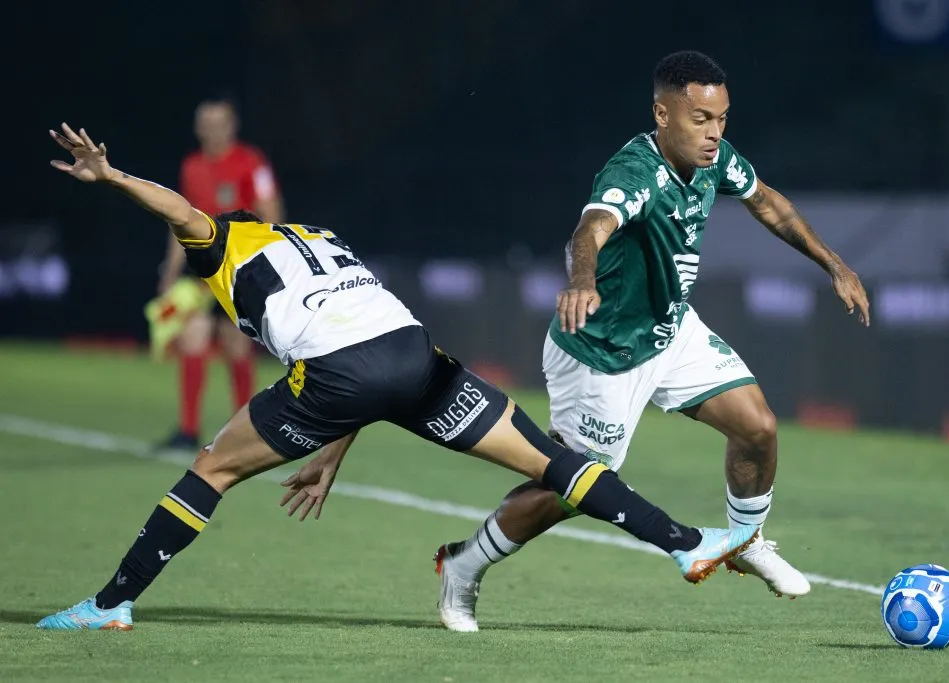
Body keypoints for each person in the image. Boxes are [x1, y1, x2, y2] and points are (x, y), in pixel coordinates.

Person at [36, 123, 759, 631]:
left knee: (212, 469)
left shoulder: (228, 241)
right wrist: (331, 452)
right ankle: (685, 539)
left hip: (337, 374)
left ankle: (111, 603)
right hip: (414, 357)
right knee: (554, 461)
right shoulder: (319, 237)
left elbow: (183, 212)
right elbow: (373, 350)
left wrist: (111, 176)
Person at [432, 50, 871, 632]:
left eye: (722, 118)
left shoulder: (714, 159)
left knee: (758, 427)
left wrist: (835, 265)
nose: (714, 133)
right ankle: (464, 565)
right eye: (700, 119)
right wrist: (582, 279)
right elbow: (591, 228)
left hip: (670, 331)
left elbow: (766, 201)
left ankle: (745, 540)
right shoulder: (635, 173)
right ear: (662, 115)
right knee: (567, 489)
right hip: (601, 354)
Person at [157, 96, 284, 451]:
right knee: (191, 338)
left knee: (236, 346)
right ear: (198, 128)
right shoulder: (191, 166)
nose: (212, 129)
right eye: (206, 123)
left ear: (232, 126)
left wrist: (267, 263)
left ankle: (244, 431)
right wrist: (169, 271)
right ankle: (188, 429)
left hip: (238, 271)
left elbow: (271, 211)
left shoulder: (252, 162)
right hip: (201, 272)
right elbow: (177, 218)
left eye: (219, 123)